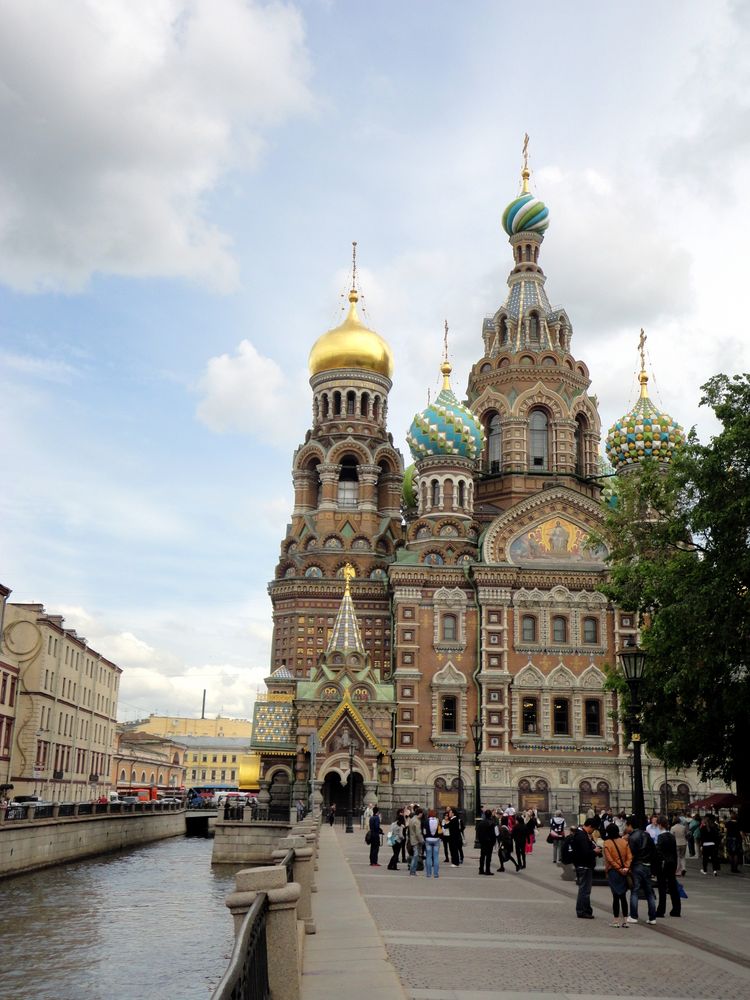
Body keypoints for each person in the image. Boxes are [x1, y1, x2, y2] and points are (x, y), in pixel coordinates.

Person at [625, 815, 657, 924]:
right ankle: (652, 918)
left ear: (630, 825)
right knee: (649, 892)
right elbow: (654, 850)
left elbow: (630, 855)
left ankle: (633, 916)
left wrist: (628, 867)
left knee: (635, 890)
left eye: (627, 825)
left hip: (637, 865)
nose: (626, 828)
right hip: (647, 865)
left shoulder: (632, 837)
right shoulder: (646, 835)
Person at [602, 821, 632, 927]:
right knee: (623, 896)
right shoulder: (624, 842)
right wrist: (626, 868)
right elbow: (629, 856)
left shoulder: (607, 843)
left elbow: (609, 859)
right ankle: (625, 920)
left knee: (615, 896)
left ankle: (615, 920)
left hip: (614, 872)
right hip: (624, 871)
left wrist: (618, 868)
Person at [571, 818, 601, 918]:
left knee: (584, 889)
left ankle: (586, 910)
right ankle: (582, 911)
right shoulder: (582, 836)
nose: (593, 831)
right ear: (589, 826)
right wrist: (594, 851)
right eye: (593, 829)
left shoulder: (581, 834)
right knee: (584, 890)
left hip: (583, 865)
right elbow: (585, 853)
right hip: (584, 866)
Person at [655, 815, 681, 917]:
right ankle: (676, 909)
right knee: (673, 886)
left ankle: (661, 910)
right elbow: (674, 852)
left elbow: (659, 852)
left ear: (660, 825)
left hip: (664, 864)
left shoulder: (661, 837)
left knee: (662, 887)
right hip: (672, 863)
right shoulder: (671, 836)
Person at [421, 808, 442, 878]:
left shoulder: (426, 821)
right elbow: (441, 831)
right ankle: (436, 874)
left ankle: (428, 873)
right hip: (436, 839)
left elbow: (423, 832)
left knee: (428, 857)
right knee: (436, 857)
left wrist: (425, 838)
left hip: (428, 839)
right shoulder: (438, 821)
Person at [476, 809, 496, 875]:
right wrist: (493, 841)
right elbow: (494, 833)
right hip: (489, 842)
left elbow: (478, 832)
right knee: (488, 856)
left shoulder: (481, 823)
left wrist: (480, 840)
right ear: (490, 815)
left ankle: (481, 869)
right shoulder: (492, 823)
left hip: (483, 842)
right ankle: (487, 870)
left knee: (482, 856)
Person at [408, 806, 424, 875]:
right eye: (422, 814)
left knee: (415, 855)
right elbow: (418, 833)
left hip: (412, 839)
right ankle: (412, 871)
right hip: (416, 841)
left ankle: (413, 871)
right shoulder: (417, 821)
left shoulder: (412, 819)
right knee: (416, 856)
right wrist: (422, 840)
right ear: (420, 814)